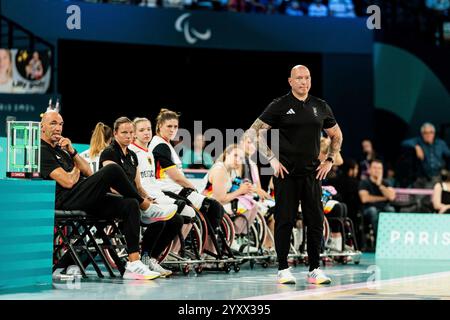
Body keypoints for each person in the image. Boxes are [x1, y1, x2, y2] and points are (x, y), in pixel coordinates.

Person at [248, 65, 343, 285]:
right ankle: (283, 269)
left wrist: (329, 159)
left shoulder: (320, 106)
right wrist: (271, 158)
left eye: (307, 77)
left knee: (315, 221)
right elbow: (254, 131)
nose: (304, 81)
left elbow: (336, 134)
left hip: (312, 174)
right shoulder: (279, 105)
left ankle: (314, 269)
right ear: (290, 81)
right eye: (299, 78)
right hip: (286, 174)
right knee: (285, 221)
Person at [40, 110, 162, 280]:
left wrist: (73, 152)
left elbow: (89, 172)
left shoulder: (64, 149)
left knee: (129, 204)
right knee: (111, 169)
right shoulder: (42, 150)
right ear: (42, 127)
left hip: (82, 195)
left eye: (60, 124)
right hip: (65, 200)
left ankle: (134, 264)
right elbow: (68, 181)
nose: (58, 128)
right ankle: (146, 206)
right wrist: (76, 168)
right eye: (53, 123)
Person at [99, 116, 182, 277]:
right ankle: (134, 262)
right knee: (133, 204)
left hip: (135, 200)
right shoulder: (109, 152)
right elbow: (110, 185)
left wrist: (148, 198)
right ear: (115, 133)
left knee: (175, 219)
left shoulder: (132, 155)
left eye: (131, 132)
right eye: (124, 132)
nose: (128, 136)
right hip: (112, 200)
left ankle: (149, 259)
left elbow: (138, 186)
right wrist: (140, 200)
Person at [149, 109, 226, 244]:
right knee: (214, 207)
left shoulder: (165, 144)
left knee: (214, 208)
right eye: (169, 126)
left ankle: (203, 246)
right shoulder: (160, 145)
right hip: (168, 189)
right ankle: (205, 247)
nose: (173, 130)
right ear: (160, 126)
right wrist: (191, 186)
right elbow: (176, 176)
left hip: (173, 188)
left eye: (175, 126)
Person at [203, 144, 258, 252]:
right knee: (247, 205)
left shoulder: (232, 171)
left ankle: (236, 237)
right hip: (208, 204)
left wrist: (245, 189)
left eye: (241, 158)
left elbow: (232, 192)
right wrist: (240, 191)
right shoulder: (220, 169)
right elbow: (220, 199)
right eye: (235, 155)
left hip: (220, 203)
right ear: (227, 155)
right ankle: (232, 239)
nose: (238, 160)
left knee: (252, 205)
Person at [401, 122, 450, 188]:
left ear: (434, 133)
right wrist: (416, 146)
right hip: (421, 177)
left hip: (436, 177)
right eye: (425, 133)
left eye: (431, 132)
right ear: (422, 134)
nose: (428, 135)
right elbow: (404, 143)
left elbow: (448, 154)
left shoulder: (440, 143)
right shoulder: (419, 141)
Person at [358, 159, 396, 241]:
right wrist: (384, 198)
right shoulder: (364, 182)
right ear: (370, 170)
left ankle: (389, 238)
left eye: (379, 168)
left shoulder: (386, 183)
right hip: (369, 209)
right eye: (375, 168)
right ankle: (378, 240)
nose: (377, 170)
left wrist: (380, 185)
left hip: (383, 208)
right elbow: (364, 199)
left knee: (391, 210)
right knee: (373, 211)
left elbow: (391, 197)